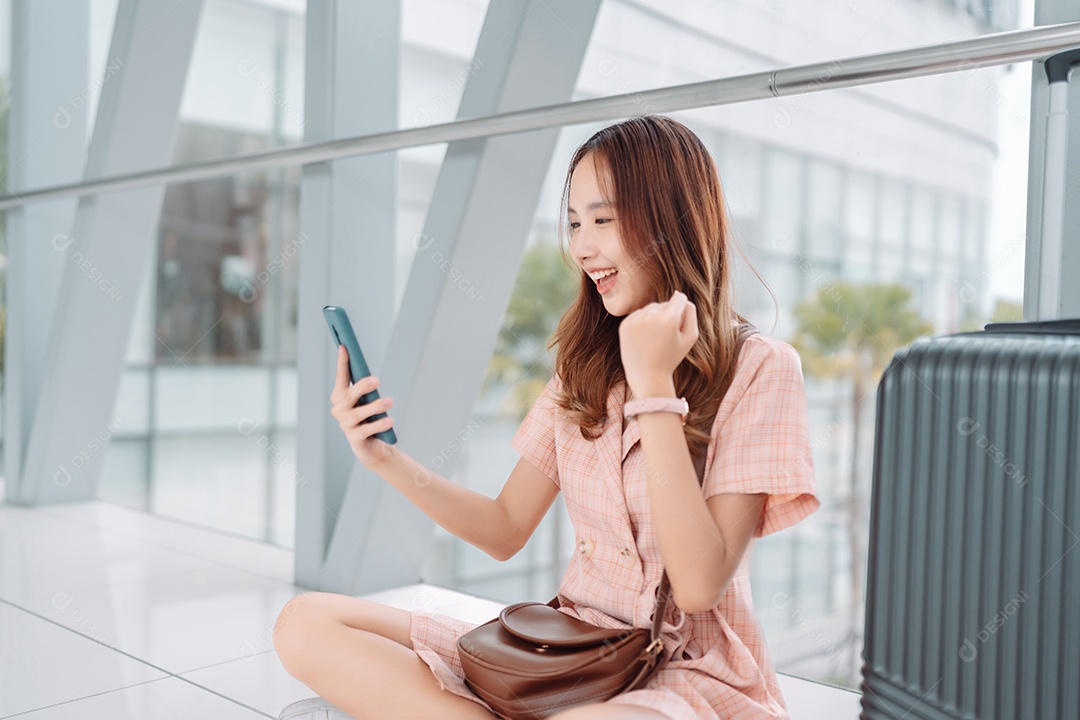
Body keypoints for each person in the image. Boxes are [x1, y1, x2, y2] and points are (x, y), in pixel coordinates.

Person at [273, 115, 820, 720]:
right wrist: (384, 459)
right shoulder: (584, 365)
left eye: (603, 220)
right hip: (568, 651)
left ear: (671, 219)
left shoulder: (760, 368)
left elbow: (697, 586)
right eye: (575, 223)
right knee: (305, 623)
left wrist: (654, 386)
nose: (582, 246)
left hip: (683, 676)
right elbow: (505, 527)